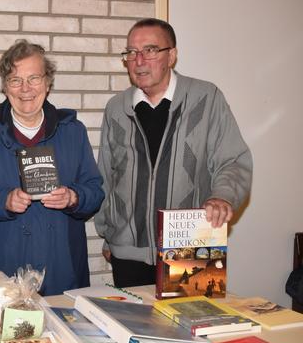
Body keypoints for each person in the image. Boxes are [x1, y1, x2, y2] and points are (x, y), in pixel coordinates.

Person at [95, 18, 252, 288]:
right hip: (127, 250)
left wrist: (223, 196)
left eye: (150, 50)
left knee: (189, 325)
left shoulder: (206, 98)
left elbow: (232, 160)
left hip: (191, 243)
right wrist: (110, 237)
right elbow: (106, 176)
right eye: (131, 52)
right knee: (134, 327)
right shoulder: (116, 108)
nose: (139, 60)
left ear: (172, 56)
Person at [0, 40, 105, 296]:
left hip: (62, 267)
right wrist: (3, 201)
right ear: (4, 86)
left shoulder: (73, 132)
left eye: (34, 78)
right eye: (15, 80)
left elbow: (96, 191)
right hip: (4, 266)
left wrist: (73, 197)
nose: (25, 89)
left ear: (48, 83)